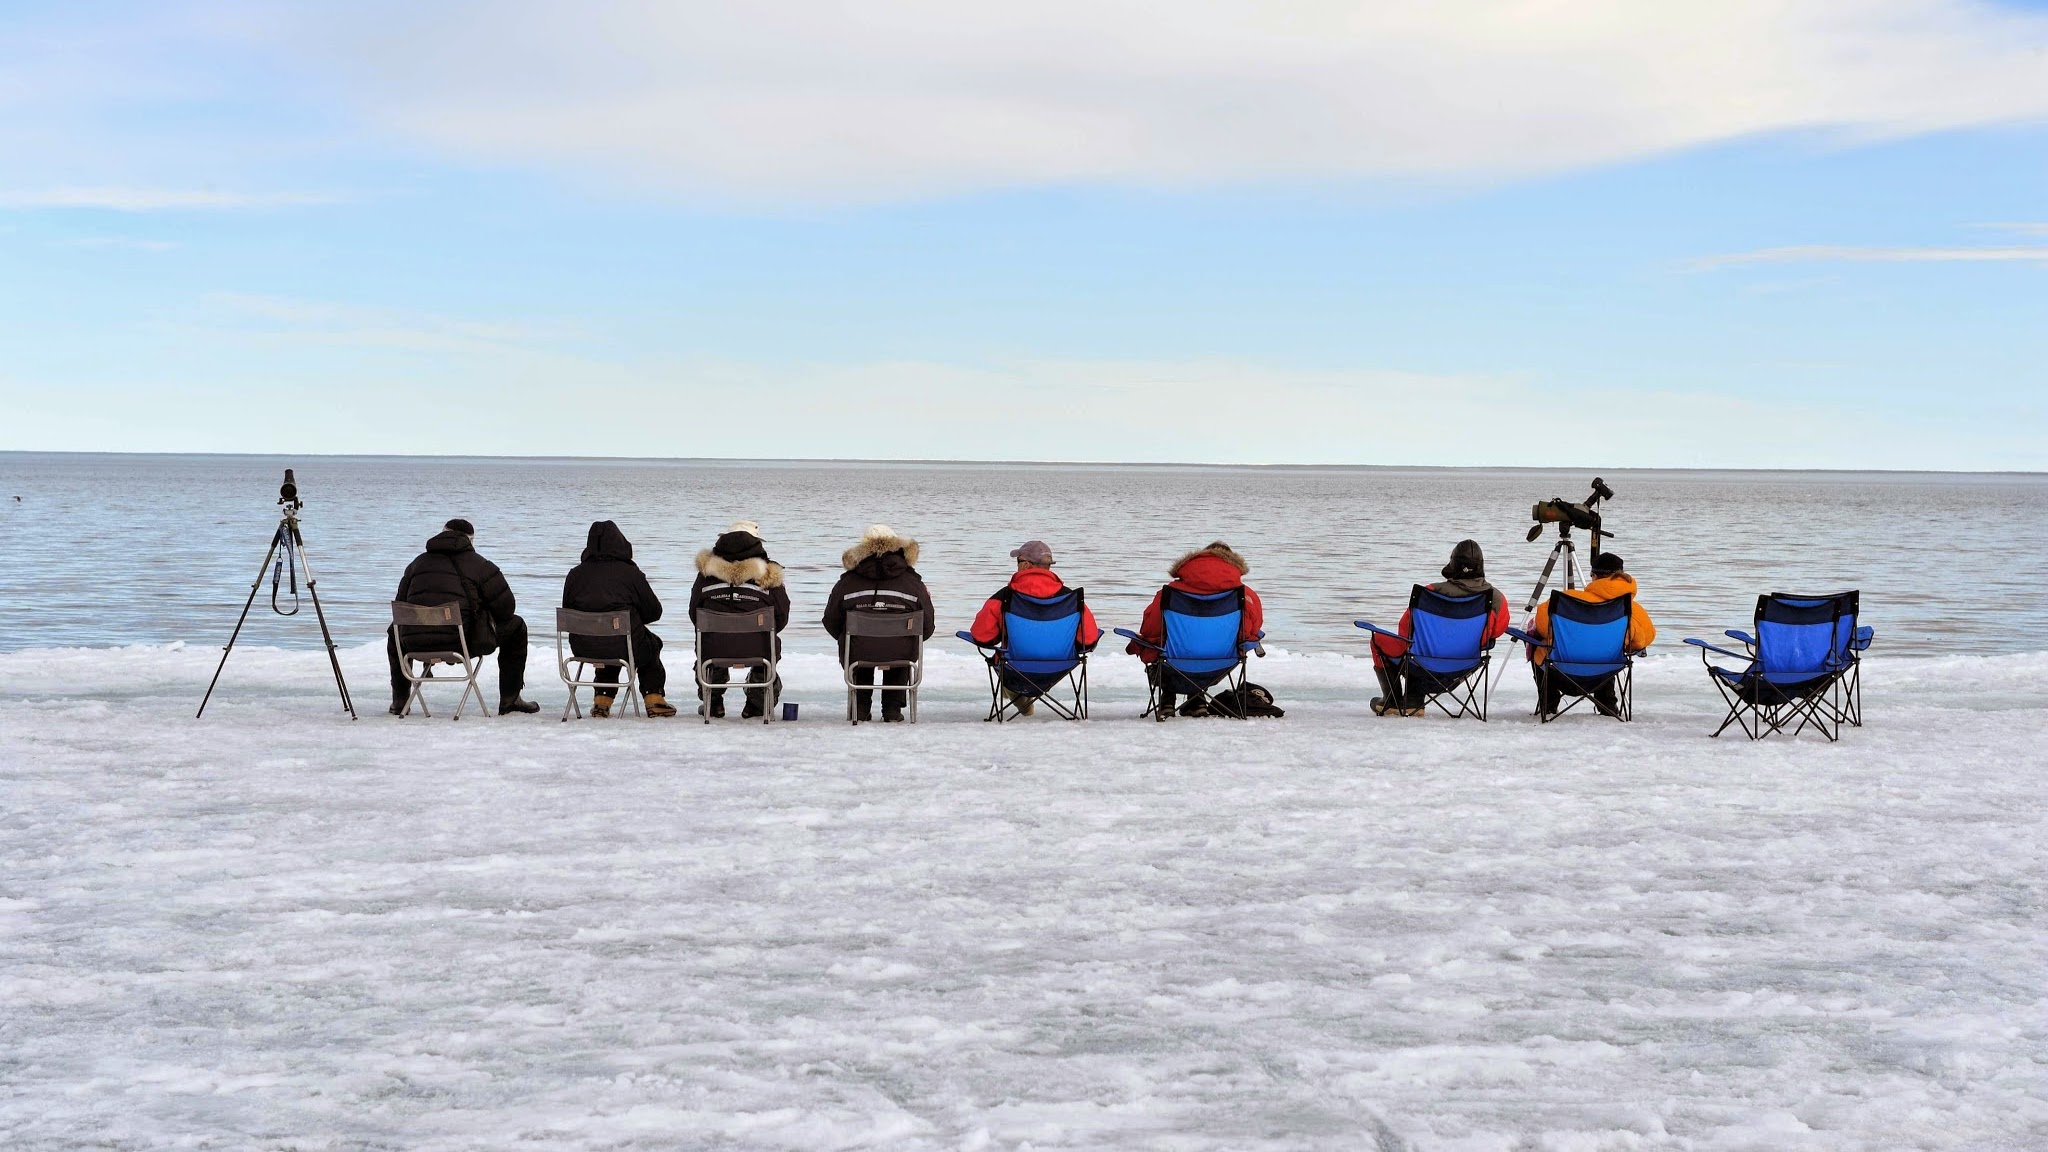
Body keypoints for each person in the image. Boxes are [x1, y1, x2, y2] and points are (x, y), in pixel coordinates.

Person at [386, 517, 537, 715]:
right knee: (517, 626)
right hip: (462, 643)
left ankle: (400, 700)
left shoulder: (416, 565)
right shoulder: (481, 565)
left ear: (442, 532)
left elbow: (401, 608)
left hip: (415, 644)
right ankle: (510, 699)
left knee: (394, 630)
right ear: (470, 540)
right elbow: (506, 609)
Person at [1368, 538, 1510, 717]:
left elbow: (1405, 631)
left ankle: (1392, 700)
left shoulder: (1430, 593)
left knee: (1378, 640)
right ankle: (1411, 699)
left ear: (1453, 564)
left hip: (1420, 664)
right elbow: (1497, 631)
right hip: (1464, 666)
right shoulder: (1496, 599)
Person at [1127, 541, 1265, 720]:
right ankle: (1197, 698)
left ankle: (1169, 699)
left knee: (1162, 650)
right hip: (1222, 663)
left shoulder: (1170, 593)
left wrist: (1142, 644)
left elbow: (1151, 628)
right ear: (1233, 565)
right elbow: (1252, 630)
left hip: (1174, 663)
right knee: (1203, 650)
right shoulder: (1245, 596)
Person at [969, 539, 1102, 715]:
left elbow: (981, 636)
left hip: (1014, 665)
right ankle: (1019, 695)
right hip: (1061, 665)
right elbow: (1089, 640)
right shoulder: (1070, 599)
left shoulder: (1004, 598)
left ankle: (1019, 697)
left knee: (1001, 658)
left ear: (1024, 566)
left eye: (1017, 562)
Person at [823, 524, 936, 722]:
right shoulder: (913, 583)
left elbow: (831, 620)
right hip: (902, 653)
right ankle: (892, 709)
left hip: (858, 651)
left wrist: (847, 638)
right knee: (902, 645)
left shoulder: (847, 583)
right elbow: (927, 626)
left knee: (859, 645)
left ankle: (860, 707)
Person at [562, 520, 674, 717]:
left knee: (609, 643)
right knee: (649, 644)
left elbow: (568, 611)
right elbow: (654, 611)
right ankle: (653, 698)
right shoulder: (630, 574)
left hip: (582, 647)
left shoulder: (574, 575)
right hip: (623, 644)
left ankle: (601, 701)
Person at [1525, 551, 1656, 718]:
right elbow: (1644, 639)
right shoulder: (1630, 608)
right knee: (1611, 648)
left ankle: (1549, 704)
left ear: (1594, 576)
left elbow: (1543, 627)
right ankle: (1607, 704)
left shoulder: (1567, 599)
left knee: (1535, 638)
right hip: (1604, 673)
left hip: (1562, 671)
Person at [688, 520, 790, 718]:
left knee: (710, 644)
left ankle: (713, 701)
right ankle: (757, 703)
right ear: (758, 545)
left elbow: (695, 613)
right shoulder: (769, 576)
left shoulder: (705, 576)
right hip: (759, 648)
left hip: (712, 648)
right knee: (767, 645)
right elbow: (781, 617)